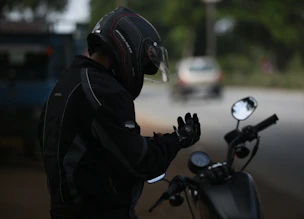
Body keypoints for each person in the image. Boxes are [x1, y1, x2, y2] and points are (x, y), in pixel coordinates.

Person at [38, 7, 201, 219]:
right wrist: (178, 139)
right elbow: (141, 163)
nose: (140, 73)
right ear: (127, 46)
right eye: (142, 65)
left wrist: (154, 142)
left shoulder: (70, 80)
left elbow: (101, 146)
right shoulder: (105, 91)